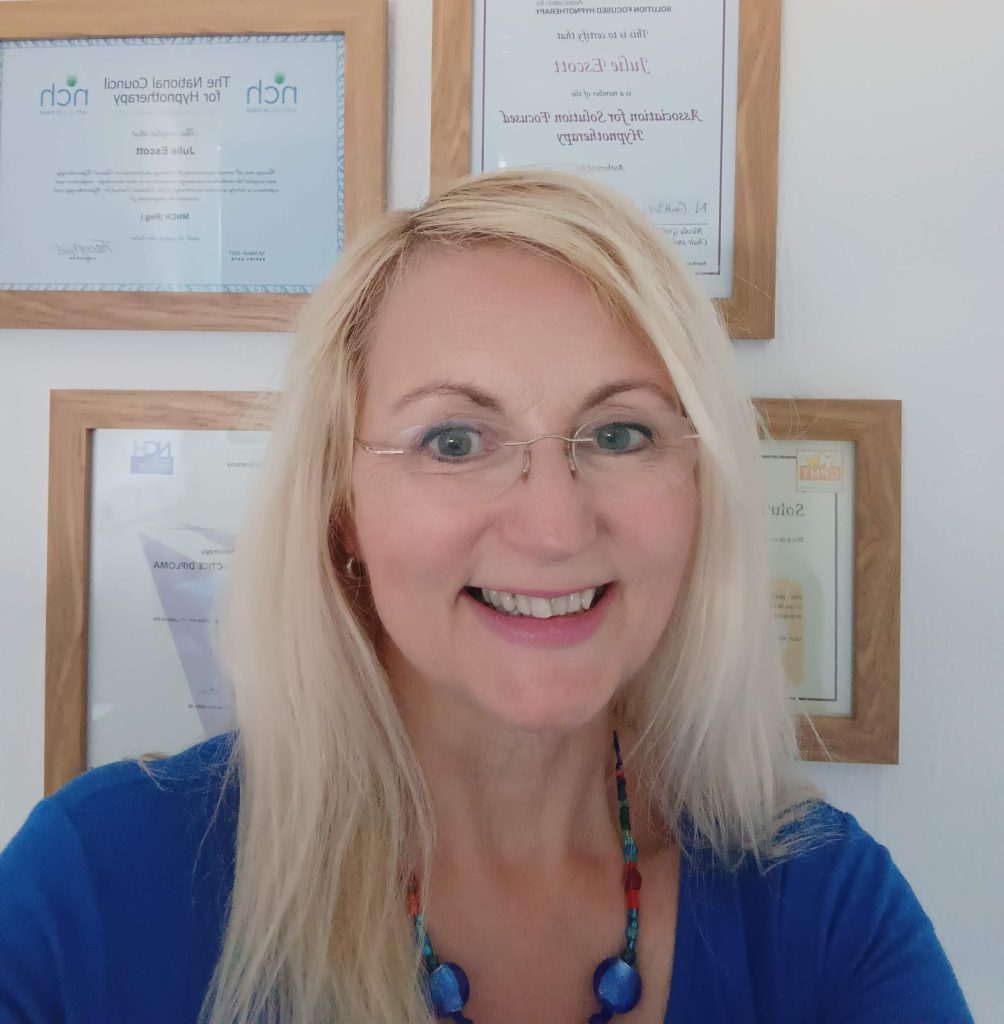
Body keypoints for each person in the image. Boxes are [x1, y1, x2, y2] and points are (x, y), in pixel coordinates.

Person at [0, 170, 972, 1024]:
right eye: (454, 441)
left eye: (620, 433)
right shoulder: (93, 888)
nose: (552, 528)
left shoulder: (819, 908)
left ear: (699, 484)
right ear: (341, 508)